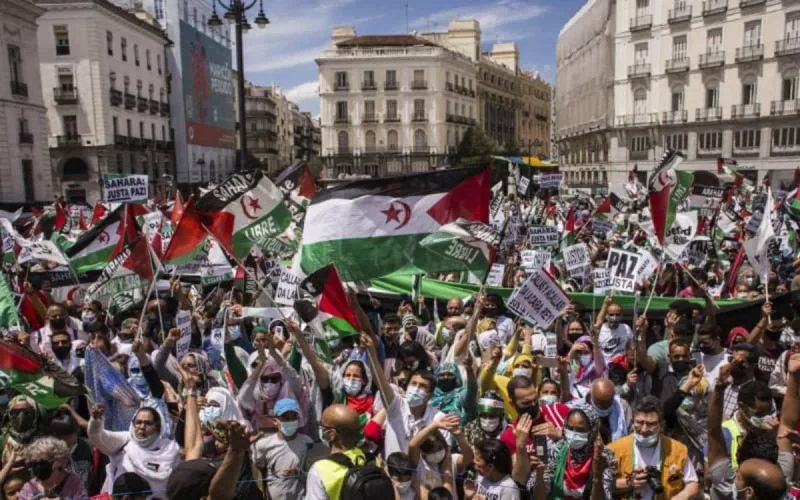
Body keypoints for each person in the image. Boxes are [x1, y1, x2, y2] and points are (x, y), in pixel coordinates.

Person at [607, 396, 700, 499]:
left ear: (662, 425)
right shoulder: (614, 450)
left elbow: (692, 484)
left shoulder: (678, 450)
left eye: (651, 424)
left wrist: (680, 497)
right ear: (632, 422)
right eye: (639, 422)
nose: (644, 429)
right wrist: (629, 482)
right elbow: (600, 486)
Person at [88, 405, 180, 497]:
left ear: (158, 426)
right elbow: (98, 438)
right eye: (138, 422)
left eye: (148, 423)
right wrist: (96, 421)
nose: (142, 427)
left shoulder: (170, 450)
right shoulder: (125, 441)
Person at [544, 407, 615, 499]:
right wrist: (540, 473)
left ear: (592, 430)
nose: (573, 434)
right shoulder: (556, 450)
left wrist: (597, 474)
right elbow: (542, 491)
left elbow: (603, 495)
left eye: (580, 430)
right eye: (570, 428)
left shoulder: (604, 456)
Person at [252, 398, 314, 498]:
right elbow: (259, 472)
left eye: (293, 417)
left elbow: (312, 475)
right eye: (285, 418)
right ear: (275, 421)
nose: (290, 421)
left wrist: (298, 473)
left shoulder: (307, 442)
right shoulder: (264, 445)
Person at [305, 404, 365, 499]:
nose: (320, 429)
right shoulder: (371, 460)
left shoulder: (320, 470)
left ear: (331, 434)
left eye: (322, 426)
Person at [17, 436, 87, 500]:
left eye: (42, 462)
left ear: (60, 461)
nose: (38, 467)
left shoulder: (74, 483)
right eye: (34, 463)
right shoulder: (28, 488)